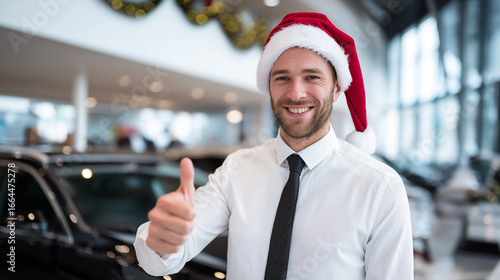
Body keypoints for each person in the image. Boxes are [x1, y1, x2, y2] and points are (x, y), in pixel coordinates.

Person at [134, 12, 414, 279]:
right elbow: (164, 258)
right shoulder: (237, 169)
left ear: (337, 89)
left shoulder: (380, 186)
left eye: (312, 77)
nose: (295, 92)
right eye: (282, 78)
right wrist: (162, 239)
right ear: (269, 86)